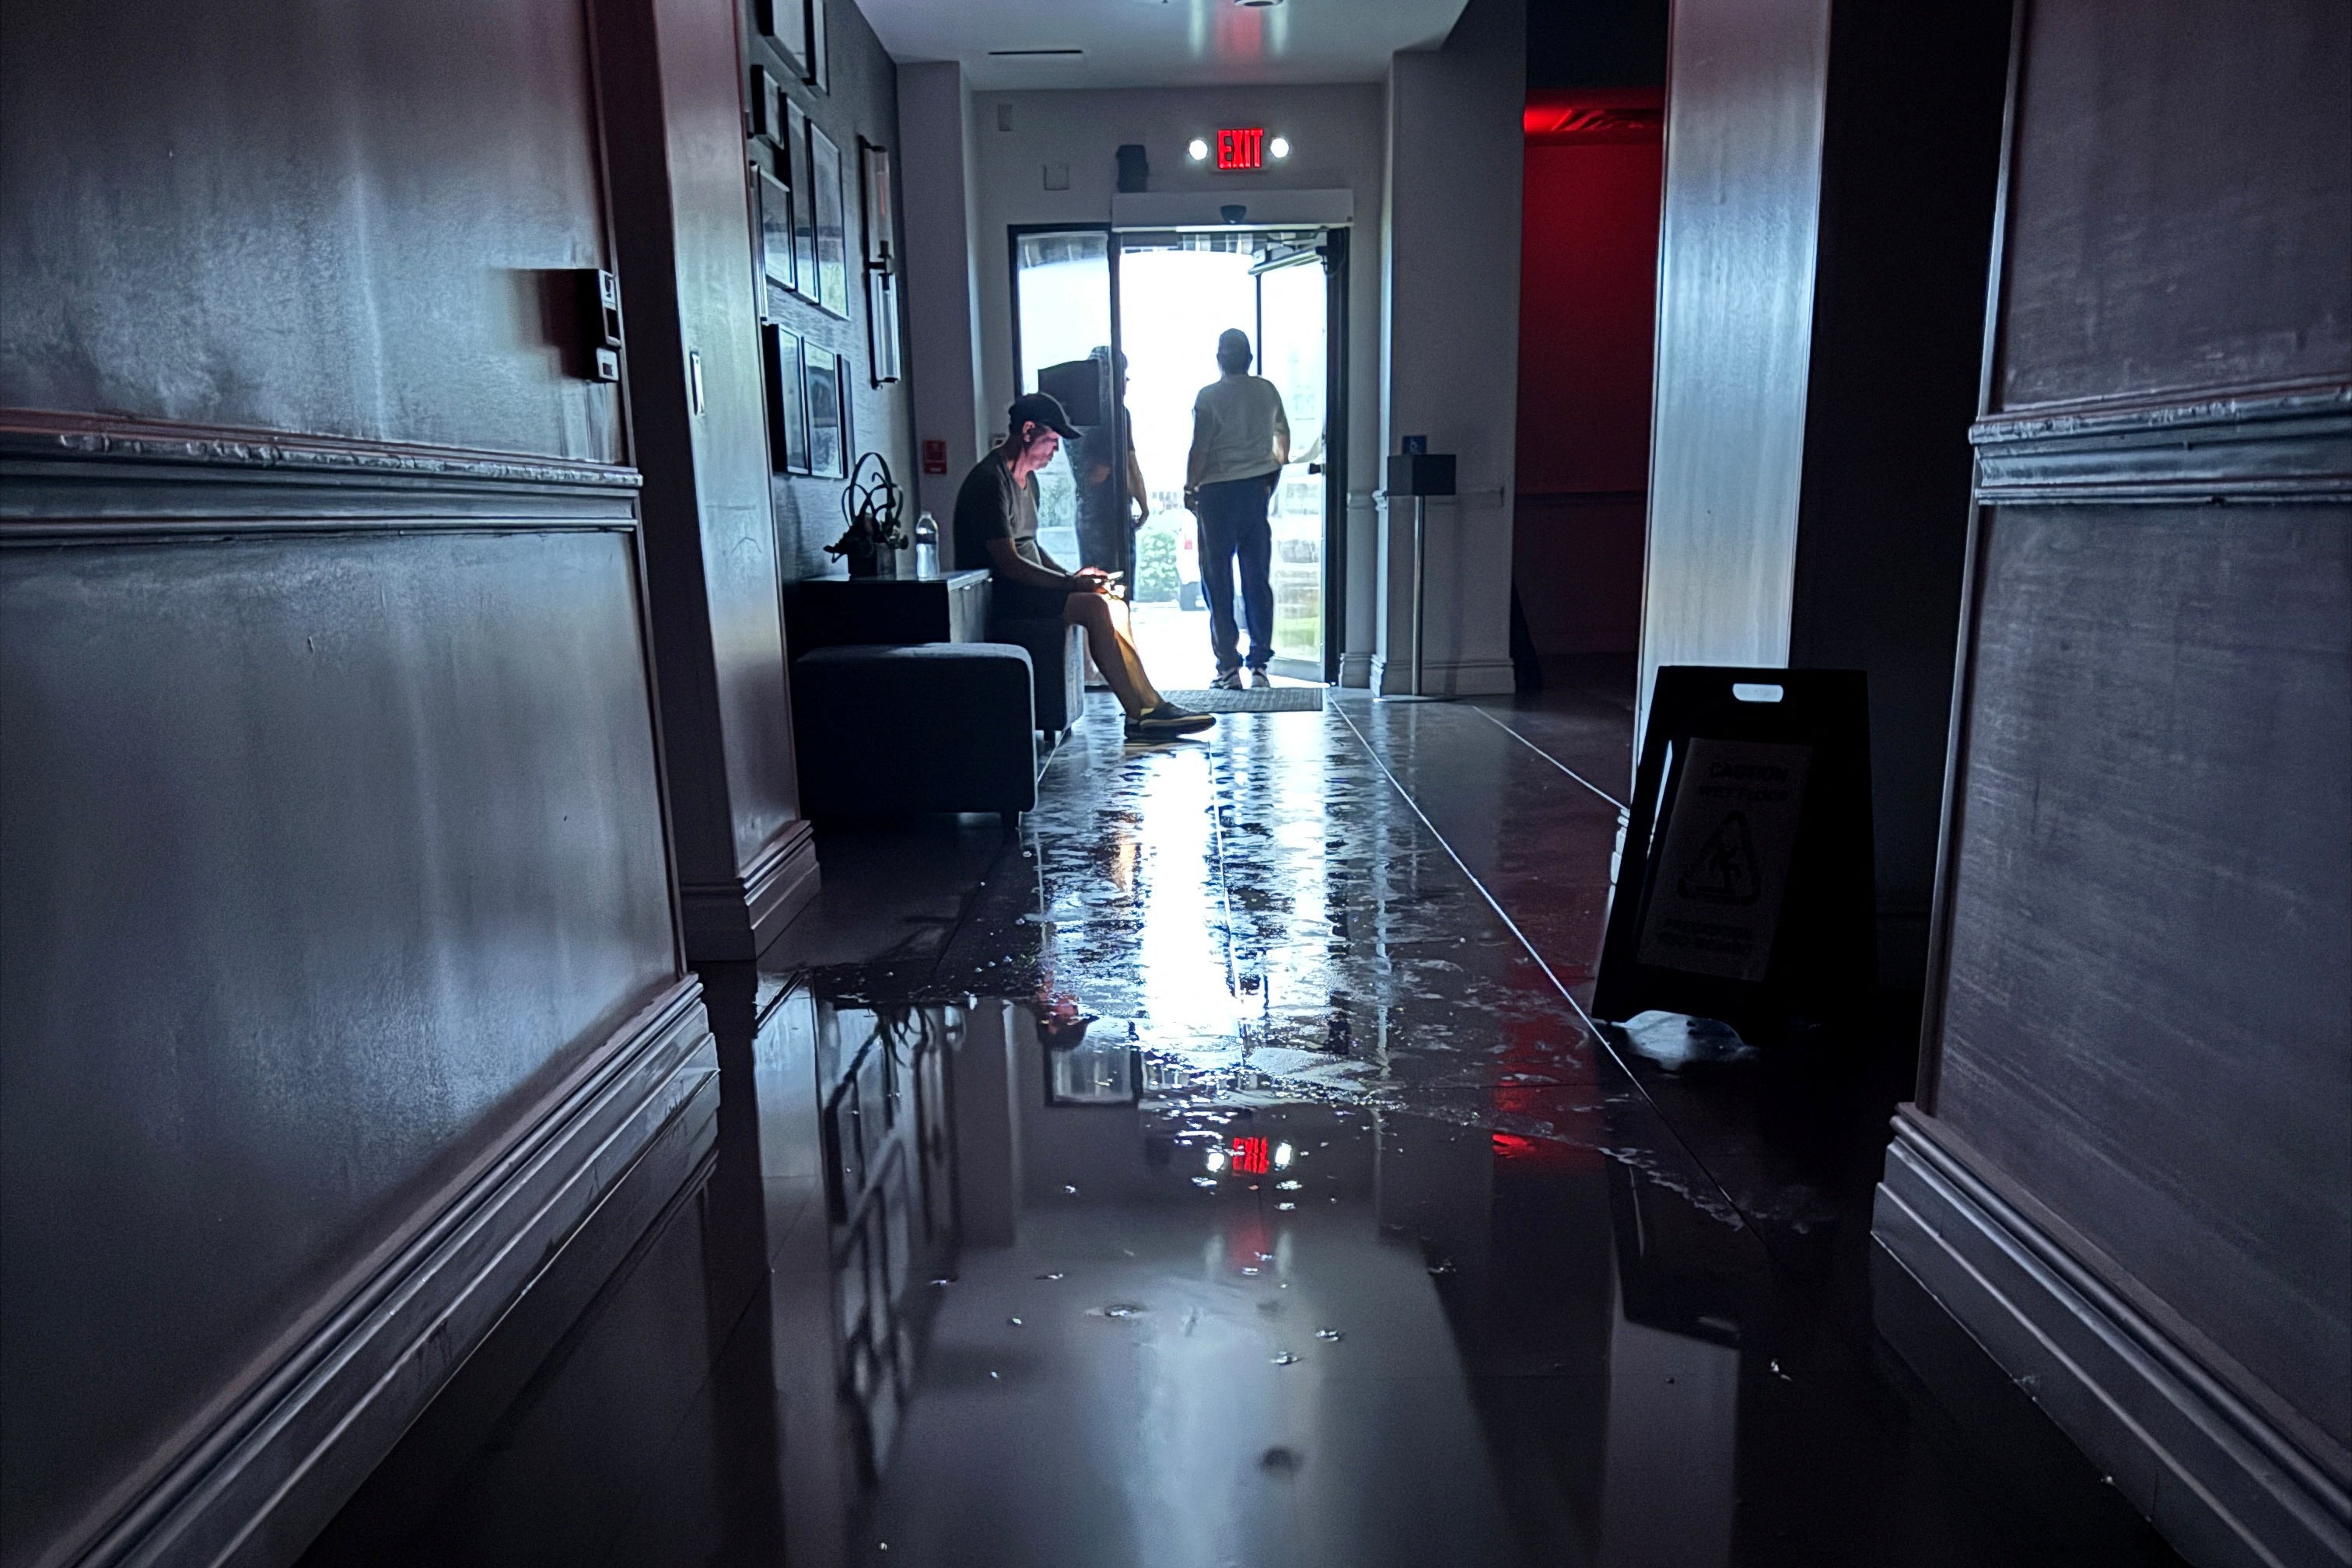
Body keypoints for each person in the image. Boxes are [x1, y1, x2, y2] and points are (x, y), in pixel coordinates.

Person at [955, 393, 1214, 740]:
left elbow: (1030, 546)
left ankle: (1150, 704)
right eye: (1051, 441)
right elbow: (1010, 564)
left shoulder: (1027, 480)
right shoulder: (990, 481)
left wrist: (1073, 577)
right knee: (1093, 606)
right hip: (1003, 594)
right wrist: (1069, 586)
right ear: (1028, 431)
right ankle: (1139, 714)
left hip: (1026, 589)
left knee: (1112, 600)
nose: (1055, 452)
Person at [1185, 328, 1290, 689]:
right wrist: (1270, 476)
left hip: (1215, 495)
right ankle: (1259, 665)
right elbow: (1282, 440)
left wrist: (1190, 486)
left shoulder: (1209, 396)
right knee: (1257, 579)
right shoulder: (1267, 391)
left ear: (1219, 359)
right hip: (1254, 491)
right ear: (1249, 359)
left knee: (1219, 581)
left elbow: (1201, 447)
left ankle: (1228, 668)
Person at [1072, 346, 1150, 584]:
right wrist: (1143, 505)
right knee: (1116, 586)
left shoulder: (1077, 414)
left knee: (1094, 585)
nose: (1127, 381)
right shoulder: (1115, 415)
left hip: (1086, 511)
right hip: (1110, 515)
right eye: (1123, 374)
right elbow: (1127, 466)